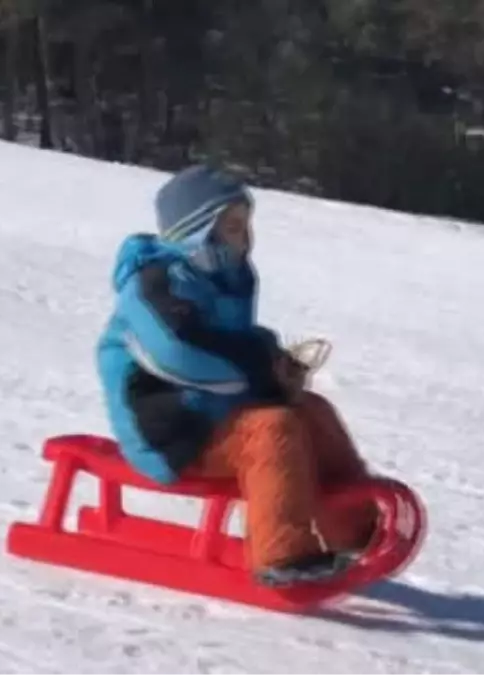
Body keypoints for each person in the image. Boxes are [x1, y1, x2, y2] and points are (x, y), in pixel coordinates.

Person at [95, 164, 378, 587]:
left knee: (312, 411)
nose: (244, 237)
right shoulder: (154, 285)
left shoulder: (225, 276)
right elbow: (179, 353)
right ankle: (283, 555)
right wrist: (258, 370)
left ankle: (356, 530)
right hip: (170, 431)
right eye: (231, 227)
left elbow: (233, 341)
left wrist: (274, 360)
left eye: (246, 226)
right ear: (198, 229)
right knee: (272, 429)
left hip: (213, 415)